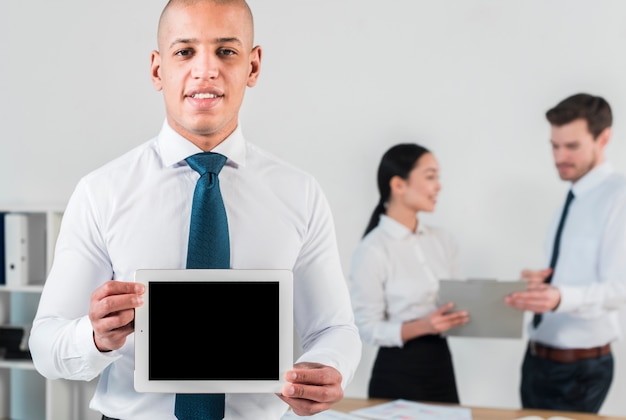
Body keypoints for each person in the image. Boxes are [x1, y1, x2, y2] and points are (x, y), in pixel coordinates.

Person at [27, 1, 362, 419]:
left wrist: (326, 367)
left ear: (253, 66)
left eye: (226, 51)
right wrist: (94, 337)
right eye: (184, 51)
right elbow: (45, 345)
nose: (205, 70)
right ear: (157, 68)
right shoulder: (101, 192)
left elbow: (335, 328)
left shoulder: (300, 193)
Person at [505, 93, 626, 413]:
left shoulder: (619, 197)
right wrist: (542, 282)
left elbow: (620, 287)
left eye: (572, 147)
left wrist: (559, 298)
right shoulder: (572, 197)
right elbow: (576, 270)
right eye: (554, 146)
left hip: (580, 370)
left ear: (604, 138)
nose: (560, 157)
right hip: (537, 360)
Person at [348, 143, 469, 403]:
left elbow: (457, 301)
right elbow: (367, 328)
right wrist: (424, 325)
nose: (439, 186)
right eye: (430, 176)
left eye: (438, 177)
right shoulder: (373, 249)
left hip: (441, 366)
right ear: (398, 185)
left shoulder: (443, 241)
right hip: (397, 371)